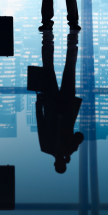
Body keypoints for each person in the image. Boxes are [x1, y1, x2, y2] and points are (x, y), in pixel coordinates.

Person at [35, 31, 84, 173]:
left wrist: (39, 104)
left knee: (49, 69)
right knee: (69, 70)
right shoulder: (69, 149)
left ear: (55, 164)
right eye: (63, 165)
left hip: (52, 104)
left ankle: (48, 38)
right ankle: (71, 40)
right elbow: (80, 136)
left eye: (59, 165)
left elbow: (40, 125)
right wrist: (71, 151)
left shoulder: (46, 148)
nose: (60, 163)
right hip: (66, 104)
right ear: (65, 163)